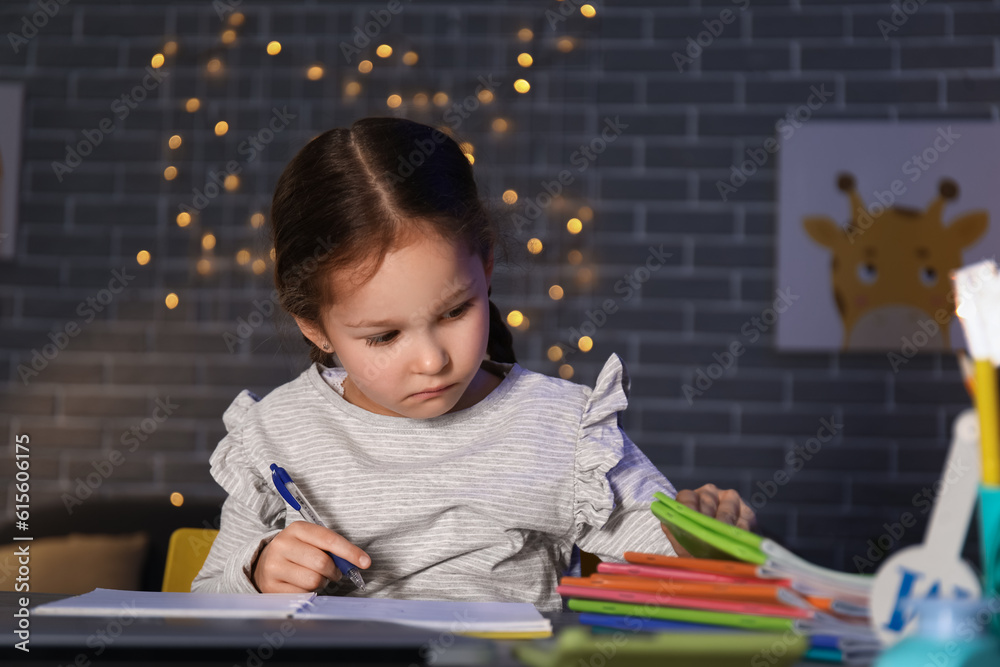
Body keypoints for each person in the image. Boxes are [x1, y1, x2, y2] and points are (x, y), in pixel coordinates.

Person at [191, 117, 756, 611]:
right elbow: (203, 600)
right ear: (313, 325)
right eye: (384, 336)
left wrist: (706, 541)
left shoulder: (564, 429)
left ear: (485, 267)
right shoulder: (276, 431)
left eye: (456, 310)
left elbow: (687, 578)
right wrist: (259, 573)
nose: (433, 360)